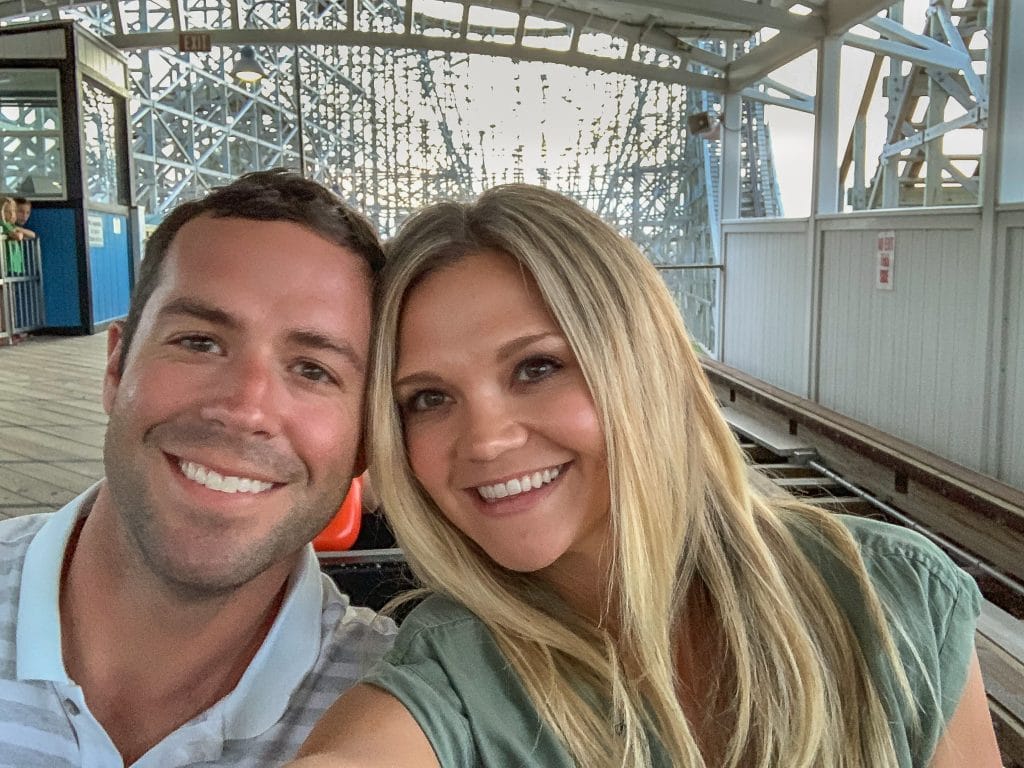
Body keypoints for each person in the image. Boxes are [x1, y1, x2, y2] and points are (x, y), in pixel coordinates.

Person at [293, 184, 1002, 768]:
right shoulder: (450, 677)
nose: (486, 440)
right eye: (429, 399)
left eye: (537, 367)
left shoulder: (891, 599)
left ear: (645, 365)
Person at [0, 169, 396, 766]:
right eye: (199, 342)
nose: (244, 409)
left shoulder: (409, 703)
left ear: (367, 441)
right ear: (116, 369)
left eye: (313, 370)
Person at [1, 196, 26, 275]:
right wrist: (20, 234)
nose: (12, 214)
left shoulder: (11, 226)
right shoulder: (3, 225)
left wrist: (19, 231)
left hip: (13, 261)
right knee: (5, 284)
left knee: (9, 285)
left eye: (13, 211)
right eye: (7, 211)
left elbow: (32, 235)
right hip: (7, 262)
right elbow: (18, 236)